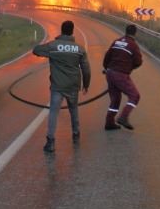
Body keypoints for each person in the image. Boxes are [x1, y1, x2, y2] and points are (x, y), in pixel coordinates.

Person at [32, 20, 91, 153]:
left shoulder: (53, 46)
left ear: (61, 30)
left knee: (53, 112)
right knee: (73, 110)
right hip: (73, 86)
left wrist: (44, 49)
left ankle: (50, 142)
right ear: (72, 31)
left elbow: (36, 50)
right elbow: (86, 69)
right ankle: (76, 134)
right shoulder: (79, 49)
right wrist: (86, 85)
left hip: (57, 86)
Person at [103, 23, 143, 130]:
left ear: (126, 31)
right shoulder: (133, 45)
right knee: (135, 96)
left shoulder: (117, 41)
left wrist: (106, 68)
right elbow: (138, 62)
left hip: (110, 72)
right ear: (135, 34)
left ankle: (109, 122)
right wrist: (130, 67)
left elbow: (107, 56)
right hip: (120, 74)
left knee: (115, 98)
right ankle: (123, 117)